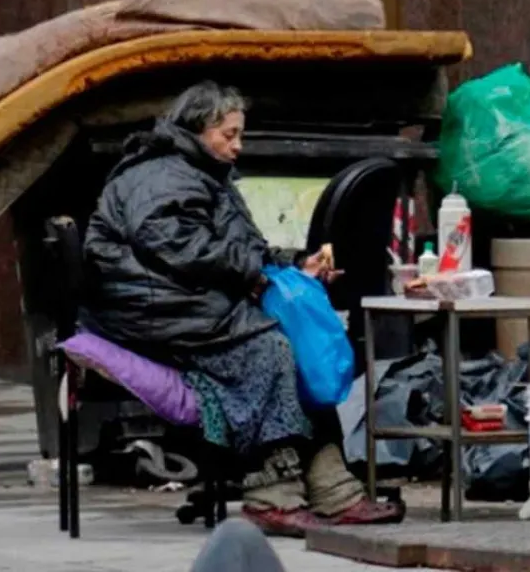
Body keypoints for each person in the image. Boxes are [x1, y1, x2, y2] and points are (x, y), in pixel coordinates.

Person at [82, 80, 404, 537]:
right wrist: (254, 272)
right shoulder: (161, 175)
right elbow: (177, 245)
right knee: (270, 350)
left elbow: (235, 247)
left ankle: (334, 490)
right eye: (228, 134)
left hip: (185, 300)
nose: (238, 145)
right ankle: (271, 494)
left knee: (299, 345)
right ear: (196, 129)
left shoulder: (203, 172)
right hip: (150, 307)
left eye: (239, 134)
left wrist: (291, 266)